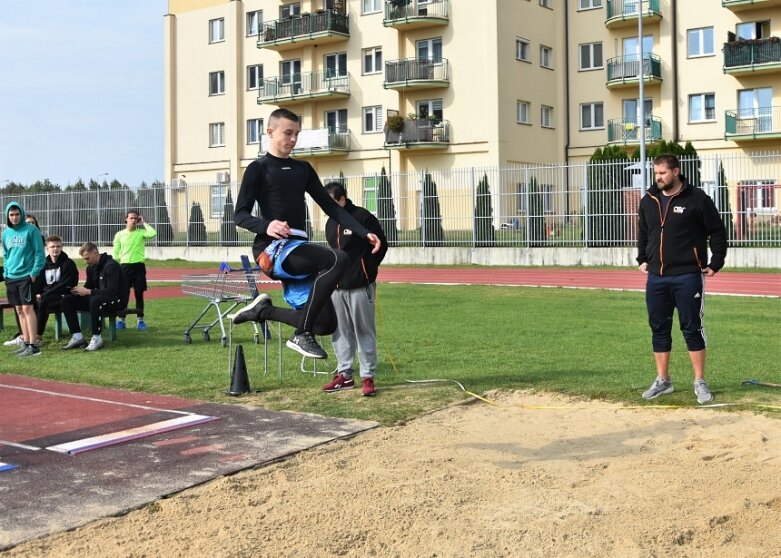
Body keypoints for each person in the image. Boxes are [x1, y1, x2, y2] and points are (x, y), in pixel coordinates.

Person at [231, 107, 382, 360]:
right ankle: (301, 335)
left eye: (297, 134)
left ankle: (263, 311)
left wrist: (363, 232)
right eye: (287, 133)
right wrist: (266, 225)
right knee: (338, 259)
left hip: (298, 249)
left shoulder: (303, 169)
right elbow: (240, 215)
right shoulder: (258, 168)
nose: (293, 139)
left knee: (325, 324)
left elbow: (331, 206)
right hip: (272, 250)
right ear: (270, 132)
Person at [637, 153, 727, 404]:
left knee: (691, 328)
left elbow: (717, 231)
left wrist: (715, 262)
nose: (658, 178)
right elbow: (644, 232)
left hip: (687, 276)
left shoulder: (697, 199)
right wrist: (642, 258)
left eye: (662, 173)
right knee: (659, 328)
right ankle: (663, 381)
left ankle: (699, 381)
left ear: (676, 171)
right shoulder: (648, 200)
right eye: (656, 174)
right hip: (656, 277)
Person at [321, 182, 388, 397]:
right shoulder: (330, 222)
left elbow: (381, 245)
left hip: (360, 284)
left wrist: (366, 269)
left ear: (342, 199)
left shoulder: (362, 217)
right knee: (340, 331)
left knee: (363, 330)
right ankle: (345, 375)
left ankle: (367, 377)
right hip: (336, 286)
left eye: (331, 202)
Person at [60, 242, 129, 352]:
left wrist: (88, 291)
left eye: (87, 258)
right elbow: (89, 287)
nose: (85, 261)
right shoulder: (90, 268)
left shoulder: (111, 265)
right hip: (98, 299)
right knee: (67, 300)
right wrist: (77, 291)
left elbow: (111, 292)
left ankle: (97, 338)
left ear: (96, 253)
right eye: (84, 259)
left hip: (118, 300)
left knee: (94, 300)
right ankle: (77, 337)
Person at [1, 202, 45, 357]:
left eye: (17, 214)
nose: (14, 217)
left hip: (26, 276)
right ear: (7, 215)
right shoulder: (6, 233)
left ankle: (34, 346)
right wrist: (6, 272)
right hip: (11, 277)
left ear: (21, 214)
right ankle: (26, 342)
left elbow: (40, 254)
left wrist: (33, 273)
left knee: (28, 309)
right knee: (19, 310)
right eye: (11, 215)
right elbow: (6, 254)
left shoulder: (31, 231)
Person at [113, 210, 157, 330]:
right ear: (126, 219)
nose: (133, 220)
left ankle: (140, 321)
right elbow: (116, 252)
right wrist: (120, 260)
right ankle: (121, 321)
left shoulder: (141, 233)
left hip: (138, 267)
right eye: (131, 218)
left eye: (136, 219)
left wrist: (144, 223)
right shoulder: (119, 234)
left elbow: (153, 233)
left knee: (139, 294)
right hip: (125, 267)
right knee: (124, 294)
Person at [35, 235, 79, 341]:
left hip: (63, 297)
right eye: (53, 246)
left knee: (43, 302)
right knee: (29, 304)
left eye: (58, 246)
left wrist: (44, 295)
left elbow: (65, 285)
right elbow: (39, 284)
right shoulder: (42, 265)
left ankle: (37, 336)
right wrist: (37, 294)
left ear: (61, 248)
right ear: (47, 249)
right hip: (47, 298)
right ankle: (25, 335)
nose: (56, 249)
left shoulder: (68, 264)